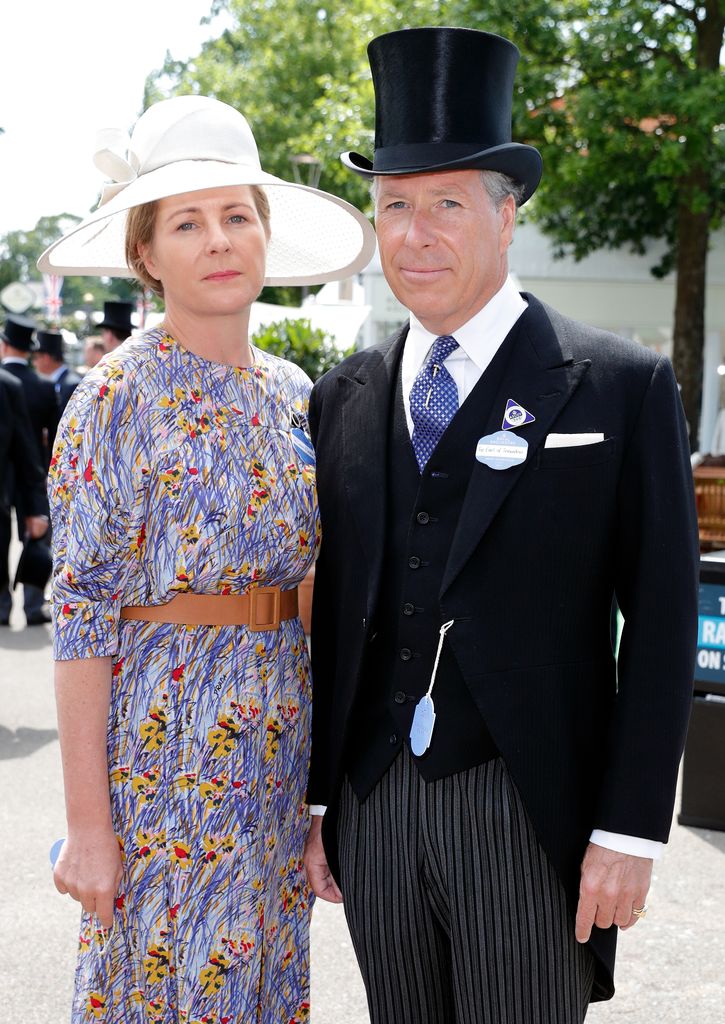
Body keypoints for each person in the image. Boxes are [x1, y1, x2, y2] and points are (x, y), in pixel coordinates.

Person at [303, 27, 699, 1024]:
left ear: (505, 214)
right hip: (374, 803)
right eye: (394, 204)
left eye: (445, 202)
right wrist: (320, 803)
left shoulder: (617, 383)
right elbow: (335, 607)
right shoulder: (341, 395)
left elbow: (659, 621)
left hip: (530, 808)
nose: (414, 232)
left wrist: (630, 826)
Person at [38, 94, 375, 1023]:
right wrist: (88, 830)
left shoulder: (295, 394)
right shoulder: (113, 399)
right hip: (161, 762)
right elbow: (81, 617)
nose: (219, 239)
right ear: (145, 254)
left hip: (270, 762)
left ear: (265, 236)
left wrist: (315, 803)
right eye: (187, 222)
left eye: (237, 216)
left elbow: (314, 599)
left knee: (259, 989)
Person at [0, 315, 57, 624]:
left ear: (5, 344)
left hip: (6, 476)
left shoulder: (5, 382)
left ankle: (2, 606)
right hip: (34, 474)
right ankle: (33, 606)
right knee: (36, 539)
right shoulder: (43, 386)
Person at [34, 329, 82, 415]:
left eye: (36, 358)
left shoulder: (72, 384)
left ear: (46, 358)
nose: (34, 362)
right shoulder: (62, 381)